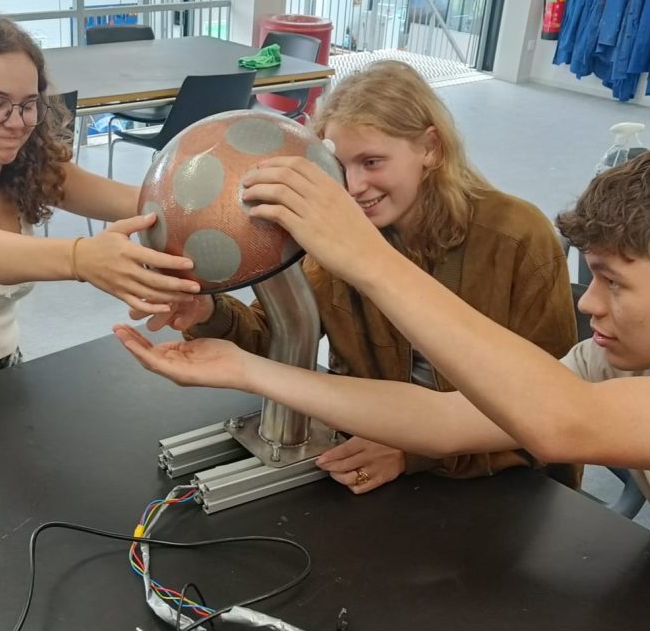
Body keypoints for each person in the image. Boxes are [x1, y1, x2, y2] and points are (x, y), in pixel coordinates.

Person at [115, 137, 650, 631]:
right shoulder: (628, 363)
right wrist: (247, 368)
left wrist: (368, 256)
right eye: (589, 274)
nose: (589, 304)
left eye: (613, 281)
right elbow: (444, 419)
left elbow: (564, 427)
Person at [134, 60, 578, 492]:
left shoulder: (519, 237)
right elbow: (283, 341)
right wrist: (206, 311)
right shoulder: (334, 229)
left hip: (496, 490)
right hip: (361, 460)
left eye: (372, 162)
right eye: (338, 166)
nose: (353, 187)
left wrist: (413, 452)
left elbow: (556, 411)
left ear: (430, 148)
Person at [0, 11, 198, 408]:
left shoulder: (28, 170)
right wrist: (81, 257)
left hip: (6, 377)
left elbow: (142, 202)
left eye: (29, 105)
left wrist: (226, 204)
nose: (16, 122)